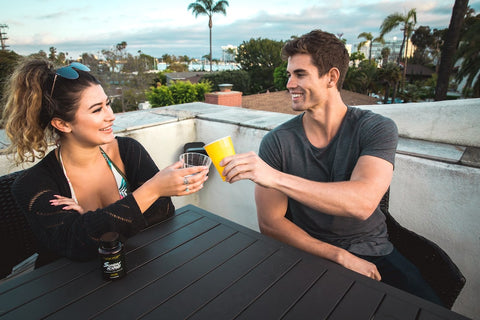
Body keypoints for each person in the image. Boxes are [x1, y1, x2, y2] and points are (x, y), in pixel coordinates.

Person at [220, 30, 442, 305]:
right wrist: (338, 256)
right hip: (308, 255)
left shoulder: (375, 128)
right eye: (289, 74)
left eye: (300, 74)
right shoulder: (277, 142)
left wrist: (275, 178)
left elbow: (361, 203)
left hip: (374, 252)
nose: (289, 83)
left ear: (332, 77)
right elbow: (270, 223)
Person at [2, 58, 209, 261]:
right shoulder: (32, 184)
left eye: (107, 104)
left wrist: (91, 222)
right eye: (97, 109)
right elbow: (74, 243)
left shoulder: (127, 150)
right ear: (62, 124)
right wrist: (152, 189)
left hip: (135, 265)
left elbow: (162, 212)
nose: (111, 116)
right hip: (70, 285)